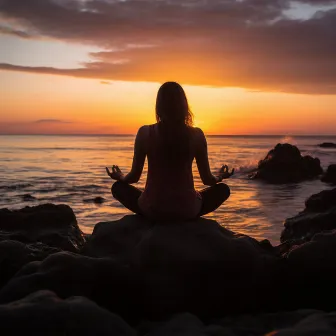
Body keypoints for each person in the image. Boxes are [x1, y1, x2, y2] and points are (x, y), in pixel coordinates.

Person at [106, 81, 234, 221]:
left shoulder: (145, 132)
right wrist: (220, 176)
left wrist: (119, 176)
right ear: (184, 106)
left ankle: (155, 205)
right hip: (187, 210)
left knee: (118, 188)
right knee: (223, 190)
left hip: (152, 209)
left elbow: (133, 178)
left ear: (159, 106)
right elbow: (207, 180)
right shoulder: (196, 135)